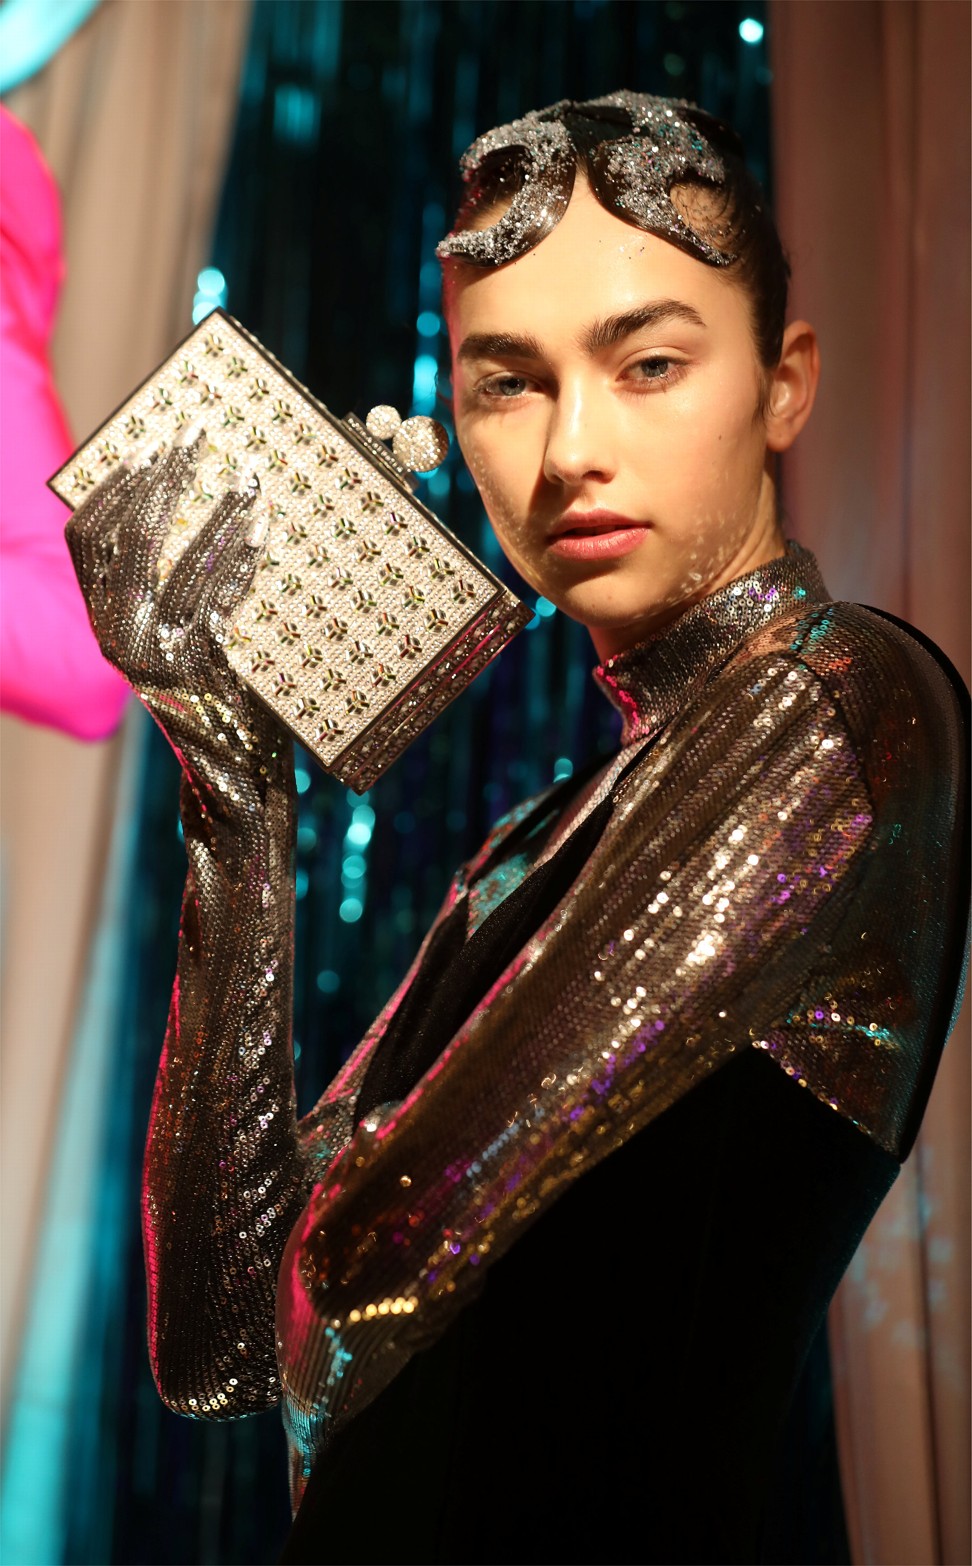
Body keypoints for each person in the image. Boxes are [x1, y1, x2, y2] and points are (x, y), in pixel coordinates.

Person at [66, 93, 968, 1565]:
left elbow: (367, 1260)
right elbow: (223, 1338)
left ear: (784, 383)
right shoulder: (527, 846)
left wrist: (334, 1254)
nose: (571, 453)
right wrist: (234, 795)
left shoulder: (839, 697)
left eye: (652, 364)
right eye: (508, 383)